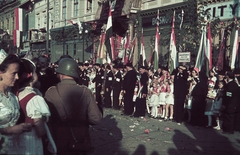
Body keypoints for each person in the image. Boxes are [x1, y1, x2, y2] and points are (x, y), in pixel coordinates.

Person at [44, 58, 102, 155]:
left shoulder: (51, 92)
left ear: (61, 75)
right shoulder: (85, 91)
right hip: (81, 142)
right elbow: (96, 119)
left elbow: (46, 121)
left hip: (58, 141)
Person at [15, 58, 52, 155]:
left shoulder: (16, 94)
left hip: (18, 141)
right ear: (32, 75)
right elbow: (40, 131)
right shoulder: (34, 98)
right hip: (31, 142)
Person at [0, 53, 32, 154]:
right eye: (13, 73)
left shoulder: (13, 96)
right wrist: (8, 130)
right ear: (1, 73)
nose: (17, 77)